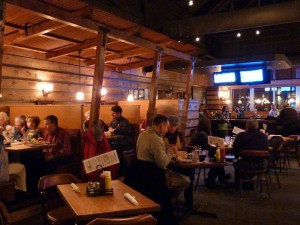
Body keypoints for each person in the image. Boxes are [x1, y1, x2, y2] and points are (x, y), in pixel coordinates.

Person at [124, 114, 181, 225]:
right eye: (166, 126)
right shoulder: (156, 139)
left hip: (137, 172)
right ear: (161, 126)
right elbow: (163, 163)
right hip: (151, 176)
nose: (166, 129)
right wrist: (170, 151)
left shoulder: (142, 134)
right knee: (163, 203)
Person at [191, 121, 230, 189]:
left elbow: (204, 146)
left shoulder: (196, 132)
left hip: (198, 154)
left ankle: (220, 176)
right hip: (202, 156)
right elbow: (207, 147)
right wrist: (216, 148)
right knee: (217, 158)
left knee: (217, 156)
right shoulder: (202, 134)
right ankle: (211, 180)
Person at [232, 119, 269, 186]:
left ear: (246, 126)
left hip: (244, 164)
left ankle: (238, 184)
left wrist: (236, 157)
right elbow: (266, 149)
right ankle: (248, 179)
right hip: (262, 164)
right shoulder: (264, 136)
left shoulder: (241, 135)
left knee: (235, 161)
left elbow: (235, 149)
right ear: (257, 126)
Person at [109, 105, 131, 176]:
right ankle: (115, 169)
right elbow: (110, 127)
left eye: (114, 113)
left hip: (125, 142)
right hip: (116, 140)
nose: (113, 114)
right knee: (109, 145)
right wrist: (110, 129)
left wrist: (115, 130)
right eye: (112, 113)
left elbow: (126, 132)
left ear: (119, 113)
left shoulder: (125, 122)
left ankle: (121, 169)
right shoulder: (113, 121)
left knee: (113, 147)